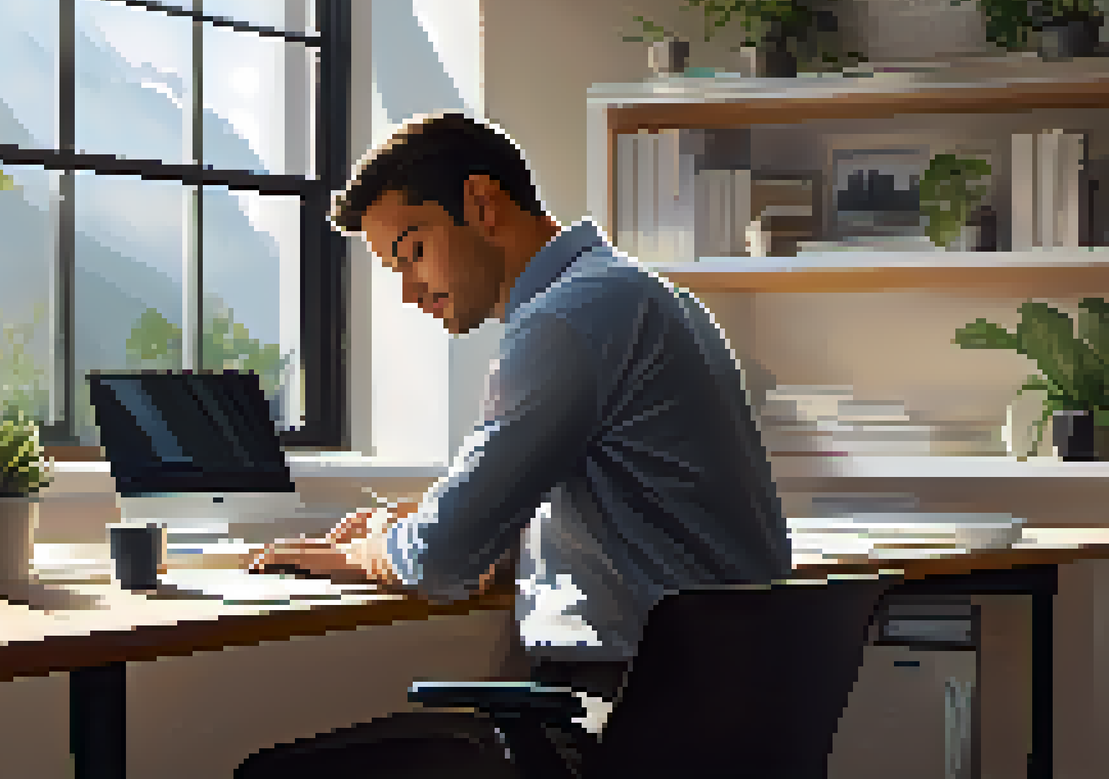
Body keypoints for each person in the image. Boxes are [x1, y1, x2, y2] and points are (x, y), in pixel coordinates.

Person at [237, 111, 792, 778]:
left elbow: (441, 559)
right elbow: (598, 499)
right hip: (729, 709)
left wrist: (358, 553)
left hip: (631, 717)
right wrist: (420, 523)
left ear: (481, 202)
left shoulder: (566, 320)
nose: (409, 291)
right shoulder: (644, 295)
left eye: (413, 252)